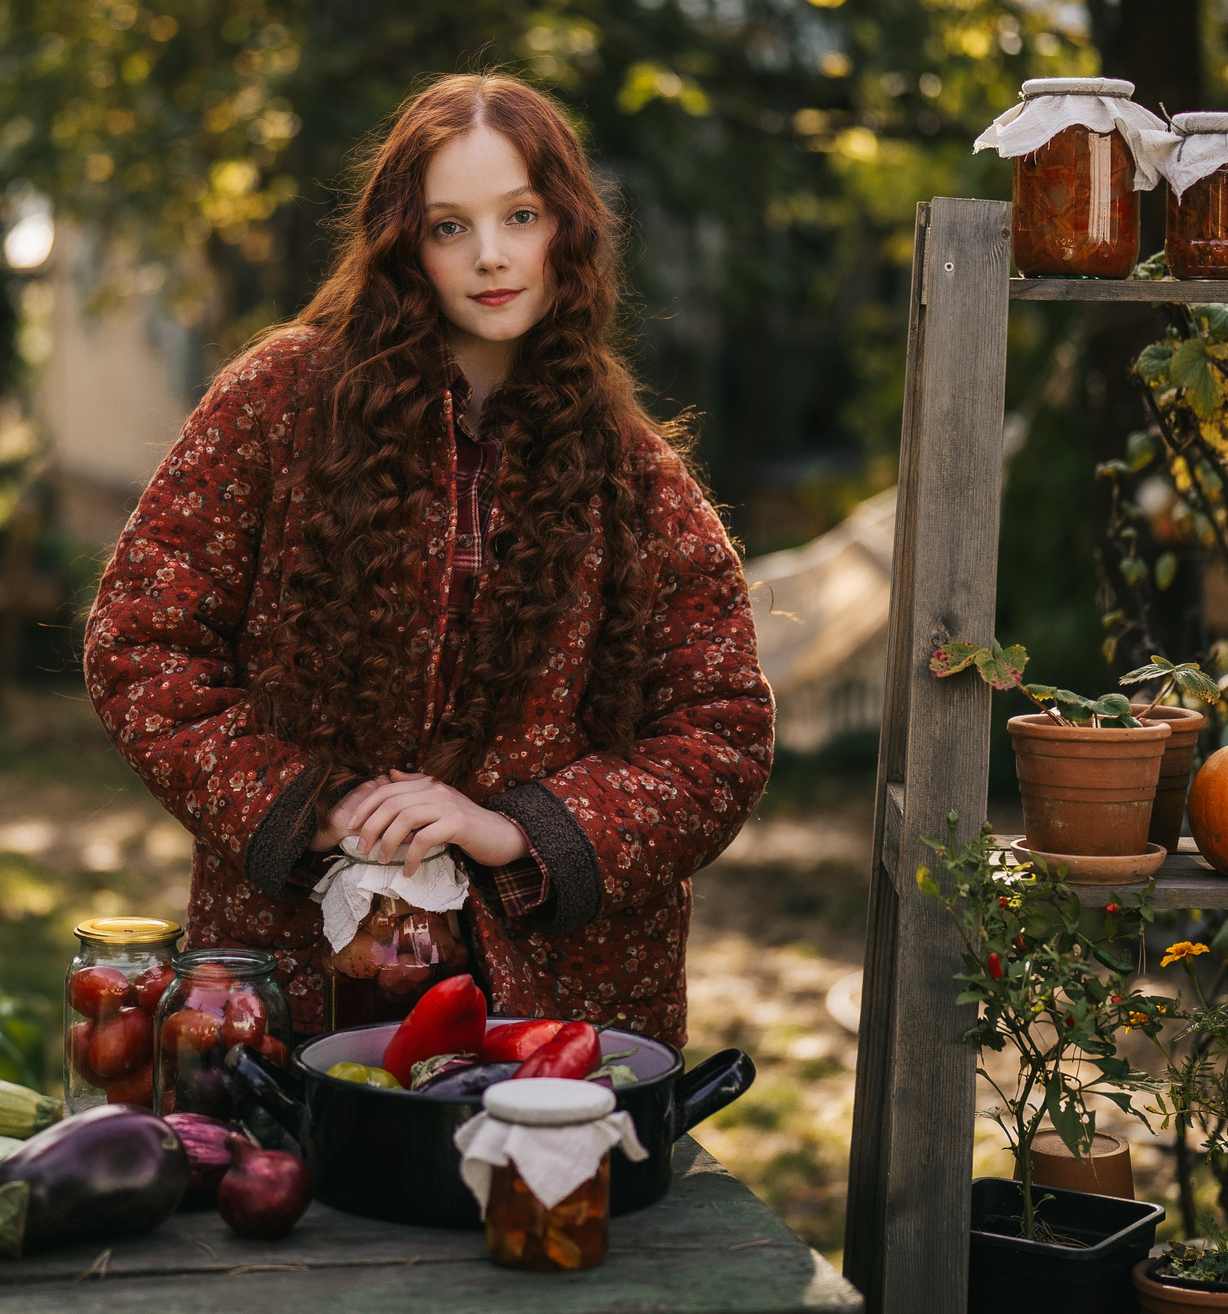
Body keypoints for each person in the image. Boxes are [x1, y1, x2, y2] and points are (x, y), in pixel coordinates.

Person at [84, 73, 772, 1043]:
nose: (491, 256)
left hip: (552, 1019)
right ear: (405, 242)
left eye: (521, 216)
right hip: (297, 982)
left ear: (566, 229)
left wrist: (517, 829)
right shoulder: (282, 401)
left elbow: (721, 729)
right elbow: (139, 644)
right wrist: (315, 807)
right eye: (449, 227)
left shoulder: (630, 470)